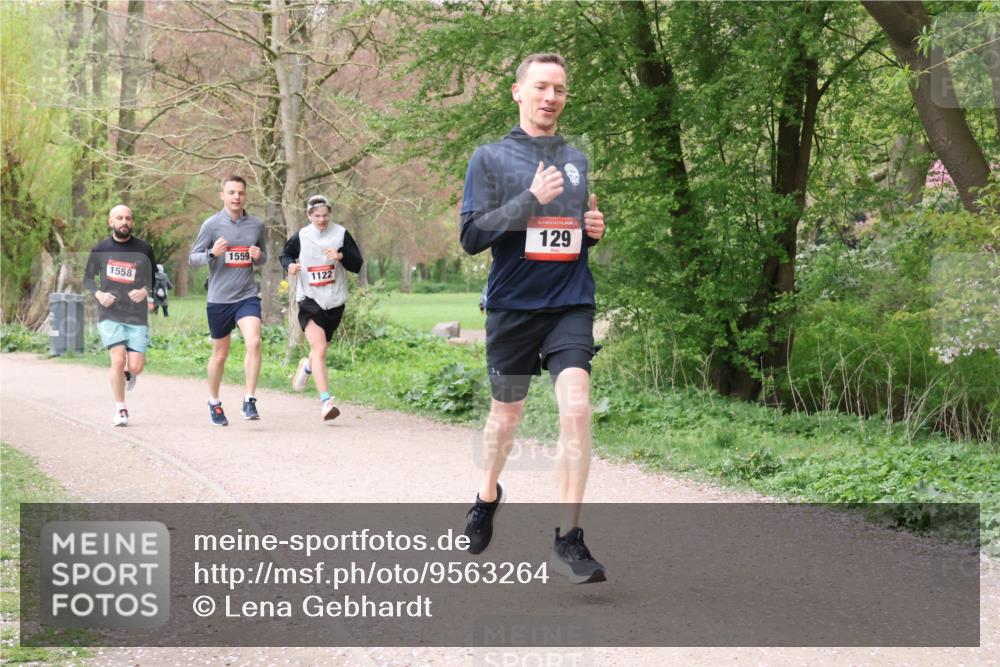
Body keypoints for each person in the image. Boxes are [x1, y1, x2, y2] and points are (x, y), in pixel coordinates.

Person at [459, 53, 608, 584]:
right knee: (507, 418)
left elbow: (569, 236)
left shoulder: (577, 159)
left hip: (569, 302)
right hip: (512, 309)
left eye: (560, 90)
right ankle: (487, 495)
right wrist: (528, 200)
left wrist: (593, 230)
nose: (551, 97)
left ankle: (568, 537)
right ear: (518, 92)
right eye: (541, 87)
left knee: (577, 406)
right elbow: (473, 237)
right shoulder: (490, 159)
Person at [189, 175, 267, 426]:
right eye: (231, 192)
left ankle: (250, 400)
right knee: (220, 355)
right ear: (222, 195)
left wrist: (258, 256)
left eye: (241, 193)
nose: (236, 197)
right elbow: (193, 258)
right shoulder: (211, 225)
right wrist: (212, 253)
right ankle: (214, 401)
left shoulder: (256, 225)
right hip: (220, 298)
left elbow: (263, 258)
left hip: (246, 295)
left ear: (246, 195)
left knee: (254, 341)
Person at [280, 195, 364, 420]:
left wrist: (341, 256)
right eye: (317, 216)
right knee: (319, 349)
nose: (322, 220)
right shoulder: (302, 236)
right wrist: (290, 266)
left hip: (334, 301)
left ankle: (306, 367)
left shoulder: (341, 234)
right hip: (309, 299)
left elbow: (357, 264)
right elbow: (285, 254)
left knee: (321, 350)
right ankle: (326, 401)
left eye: (325, 215)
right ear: (309, 215)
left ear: (330, 214)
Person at [83, 205, 157, 427]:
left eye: (128, 218)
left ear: (132, 222)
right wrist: (98, 294)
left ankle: (130, 373)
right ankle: (121, 410)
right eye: (119, 218)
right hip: (110, 313)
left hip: (136, 315)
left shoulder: (144, 248)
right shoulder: (100, 249)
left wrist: (145, 291)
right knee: (117, 359)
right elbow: (87, 279)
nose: (124, 222)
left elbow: (154, 278)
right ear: (111, 222)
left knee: (135, 366)